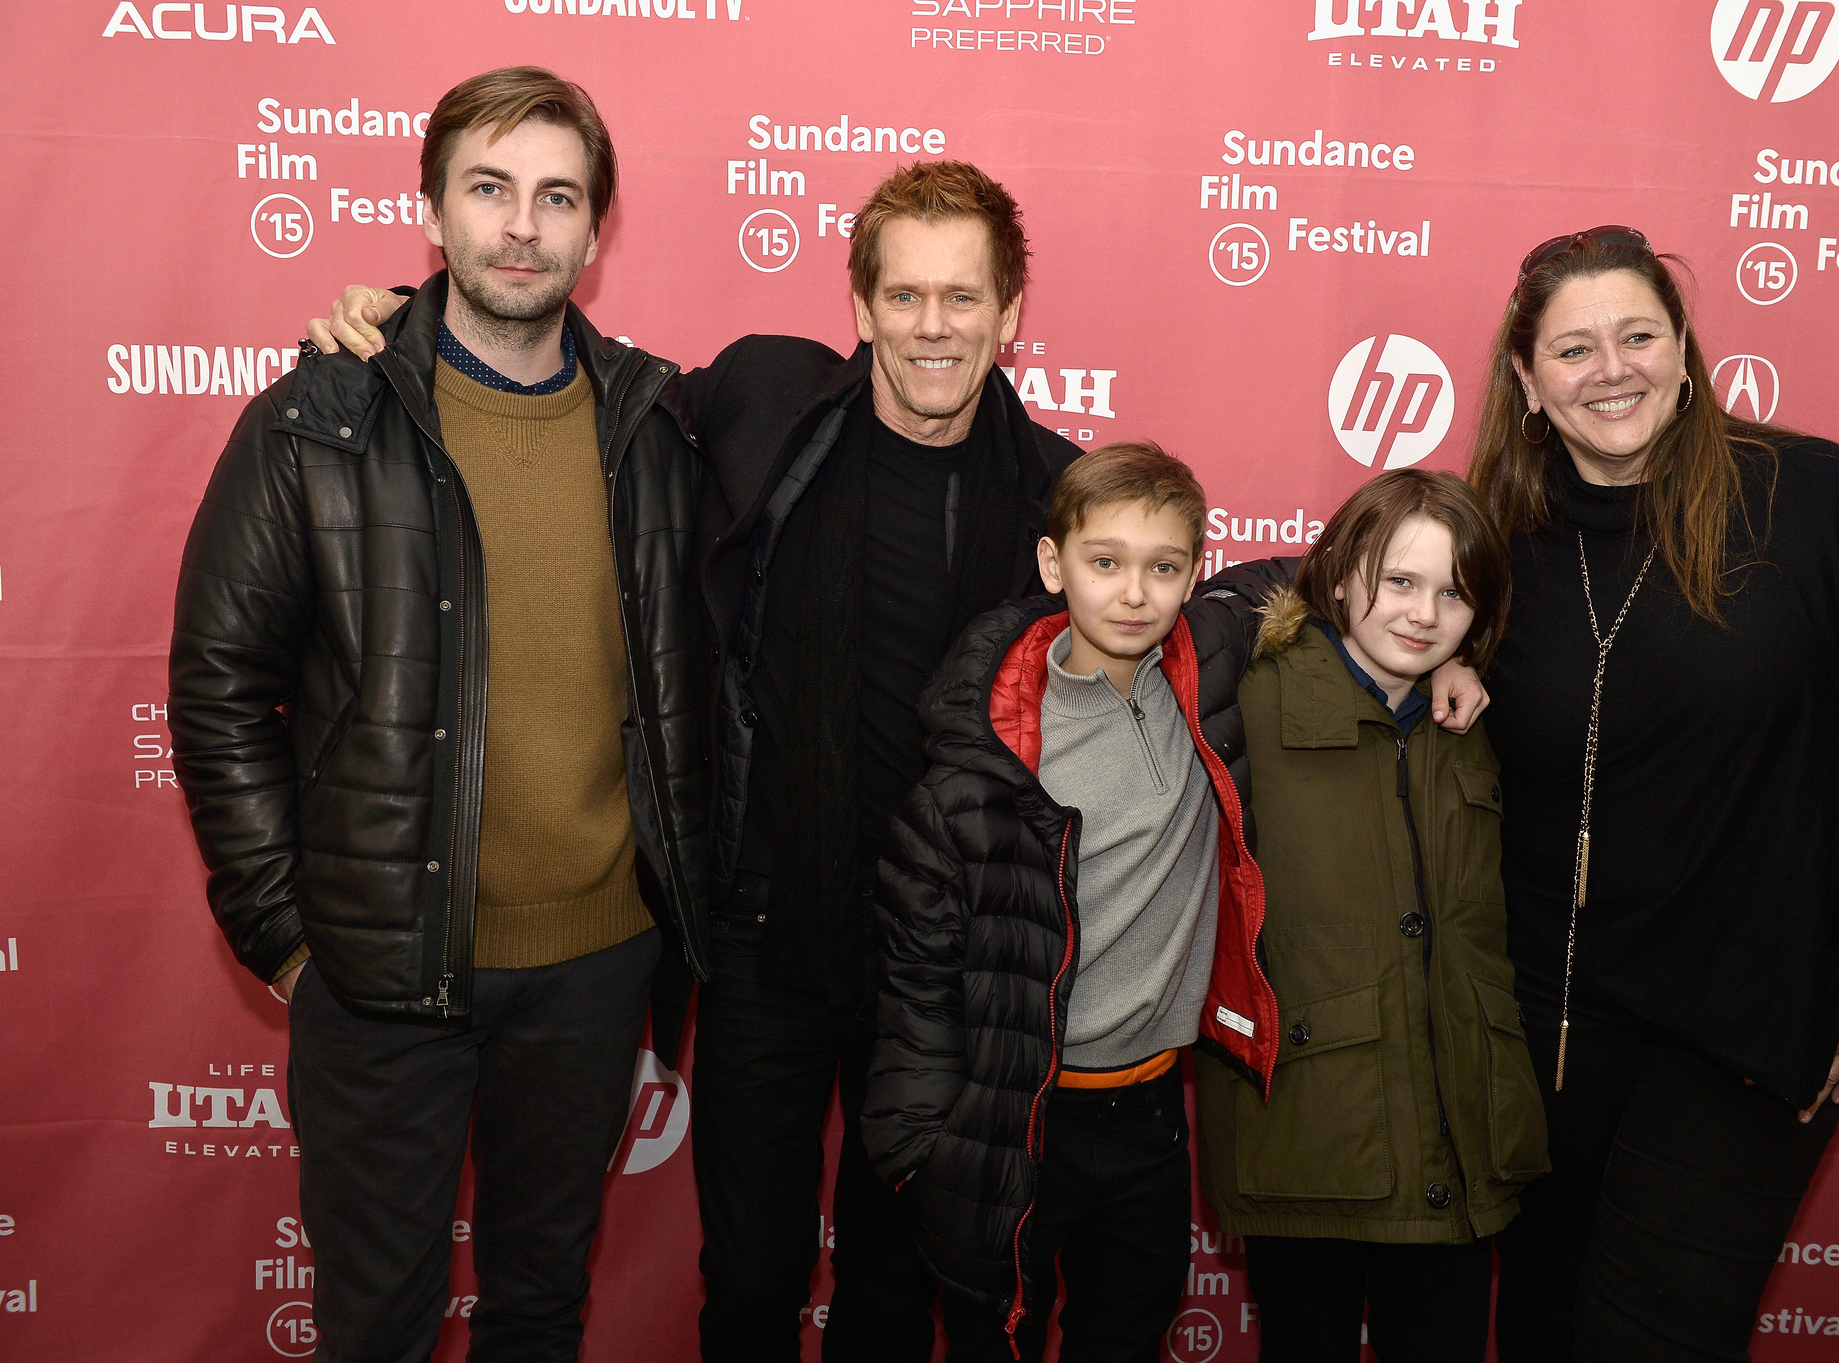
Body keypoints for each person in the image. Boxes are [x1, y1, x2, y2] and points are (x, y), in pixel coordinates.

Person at [306, 163, 1489, 1360]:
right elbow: (574, 388)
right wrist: (406, 327)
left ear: (1010, 312)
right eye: (907, 296)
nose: (934, 326)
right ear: (861, 306)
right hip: (768, 937)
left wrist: (1428, 647)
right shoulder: (765, 400)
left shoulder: (1055, 491)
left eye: (963, 298)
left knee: (895, 1279)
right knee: (755, 1272)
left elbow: (1225, 592)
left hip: (945, 967)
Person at [170, 68, 705, 1363]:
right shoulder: (318, 418)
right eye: (489, 187)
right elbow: (220, 682)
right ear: (431, 207)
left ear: (595, 229)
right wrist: (293, 943)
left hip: (593, 966)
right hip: (377, 973)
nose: (522, 224)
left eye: (556, 196)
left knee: (538, 1309)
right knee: (380, 1326)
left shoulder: (659, 422)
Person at [1468, 227, 1839, 1361]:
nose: (1610, 368)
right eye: (1572, 348)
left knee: (1653, 1332)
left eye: (1637, 335)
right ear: (1525, 381)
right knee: (1544, 1323)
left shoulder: (1810, 497)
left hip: (1748, 1015)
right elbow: (1347, 628)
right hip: (1545, 1024)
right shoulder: (1490, 541)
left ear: (1682, 347)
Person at [864, 443, 1288, 1361]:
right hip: (1021, 1118)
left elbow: (1330, 574)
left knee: (1126, 1340)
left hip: (1152, 1117)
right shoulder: (986, 759)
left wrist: (1451, 663)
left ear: (1194, 573)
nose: (1134, 593)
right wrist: (924, 1158)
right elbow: (919, 980)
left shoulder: (1207, 666)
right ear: (1055, 565)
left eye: (1163, 566)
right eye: (1105, 562)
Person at [1194, 468, 1547, 1363]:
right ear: (1343, 572)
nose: (1424, 614)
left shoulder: (1479, 714)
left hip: (1463, 1140)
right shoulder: (1248, 694)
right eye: (1400, 581)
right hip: (1311, 1134)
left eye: (1455, 594)